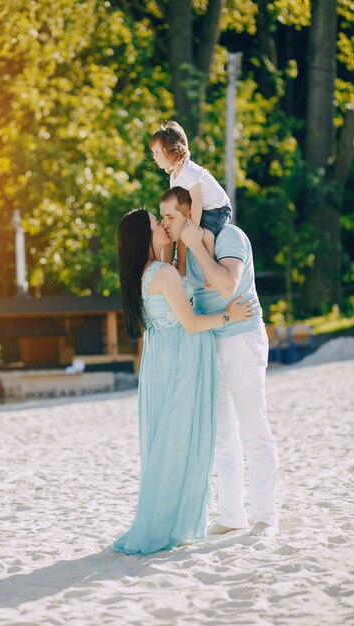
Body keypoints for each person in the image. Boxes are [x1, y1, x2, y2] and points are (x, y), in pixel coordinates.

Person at [113, 209, 256, 555]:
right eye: (155, 223)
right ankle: (169, 524)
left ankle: (167, 520)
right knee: (180, 442)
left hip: (159, 364)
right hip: (180, 361)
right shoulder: (161, 273)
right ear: (144, 237)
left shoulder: (143, 275)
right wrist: (228, 315)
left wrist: (172, 250)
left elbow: (173, 279)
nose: (163, 224)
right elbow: (191, 322)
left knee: (166, 442)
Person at [160, 187, 279, 537]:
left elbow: (227, 285)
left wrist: (195, 244)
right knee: (223, 435)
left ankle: (266, 515)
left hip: (242, 338)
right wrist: (177, 245)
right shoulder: (182, 250)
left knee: (254, 428)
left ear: (191, 216)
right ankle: (232, 515)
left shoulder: (231, 237)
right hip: (210, 342)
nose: (165, 223)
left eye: (171, 217)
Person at [150, 120, 232, 273]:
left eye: (157, 152)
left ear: (170, 151)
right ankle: (180, 267)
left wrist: (193, 226)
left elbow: (197, 200)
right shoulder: (174, 176)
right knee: (181, 232)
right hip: (201, 208)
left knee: (204, 236)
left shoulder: (189, 171)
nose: (154, 157)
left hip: (218, 209)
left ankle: (209, 272)